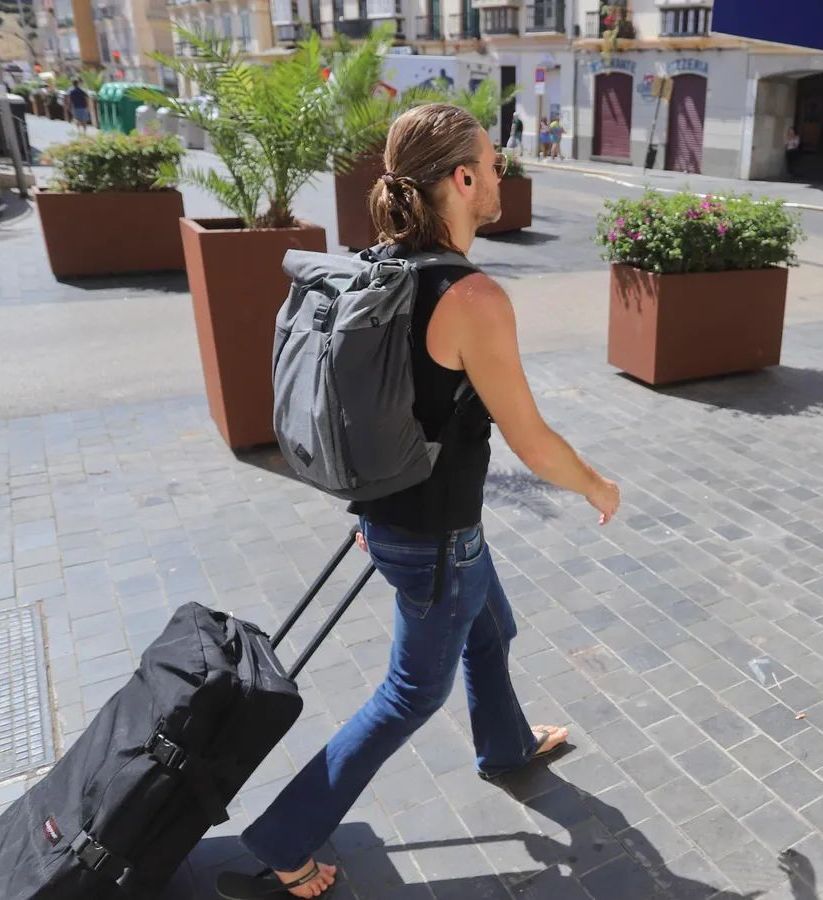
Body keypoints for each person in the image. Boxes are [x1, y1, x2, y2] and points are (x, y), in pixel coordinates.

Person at [219, 104, 621, 900]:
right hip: (436, 541)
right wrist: (596, 485)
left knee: (492, 628)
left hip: (401, 520)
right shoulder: (470, 297)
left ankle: (505, 746)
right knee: (410, 693)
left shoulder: (381, 266)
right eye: (494, 164)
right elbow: (532, 441)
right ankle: (283, 840)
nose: (502, 175)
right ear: (463, 180)